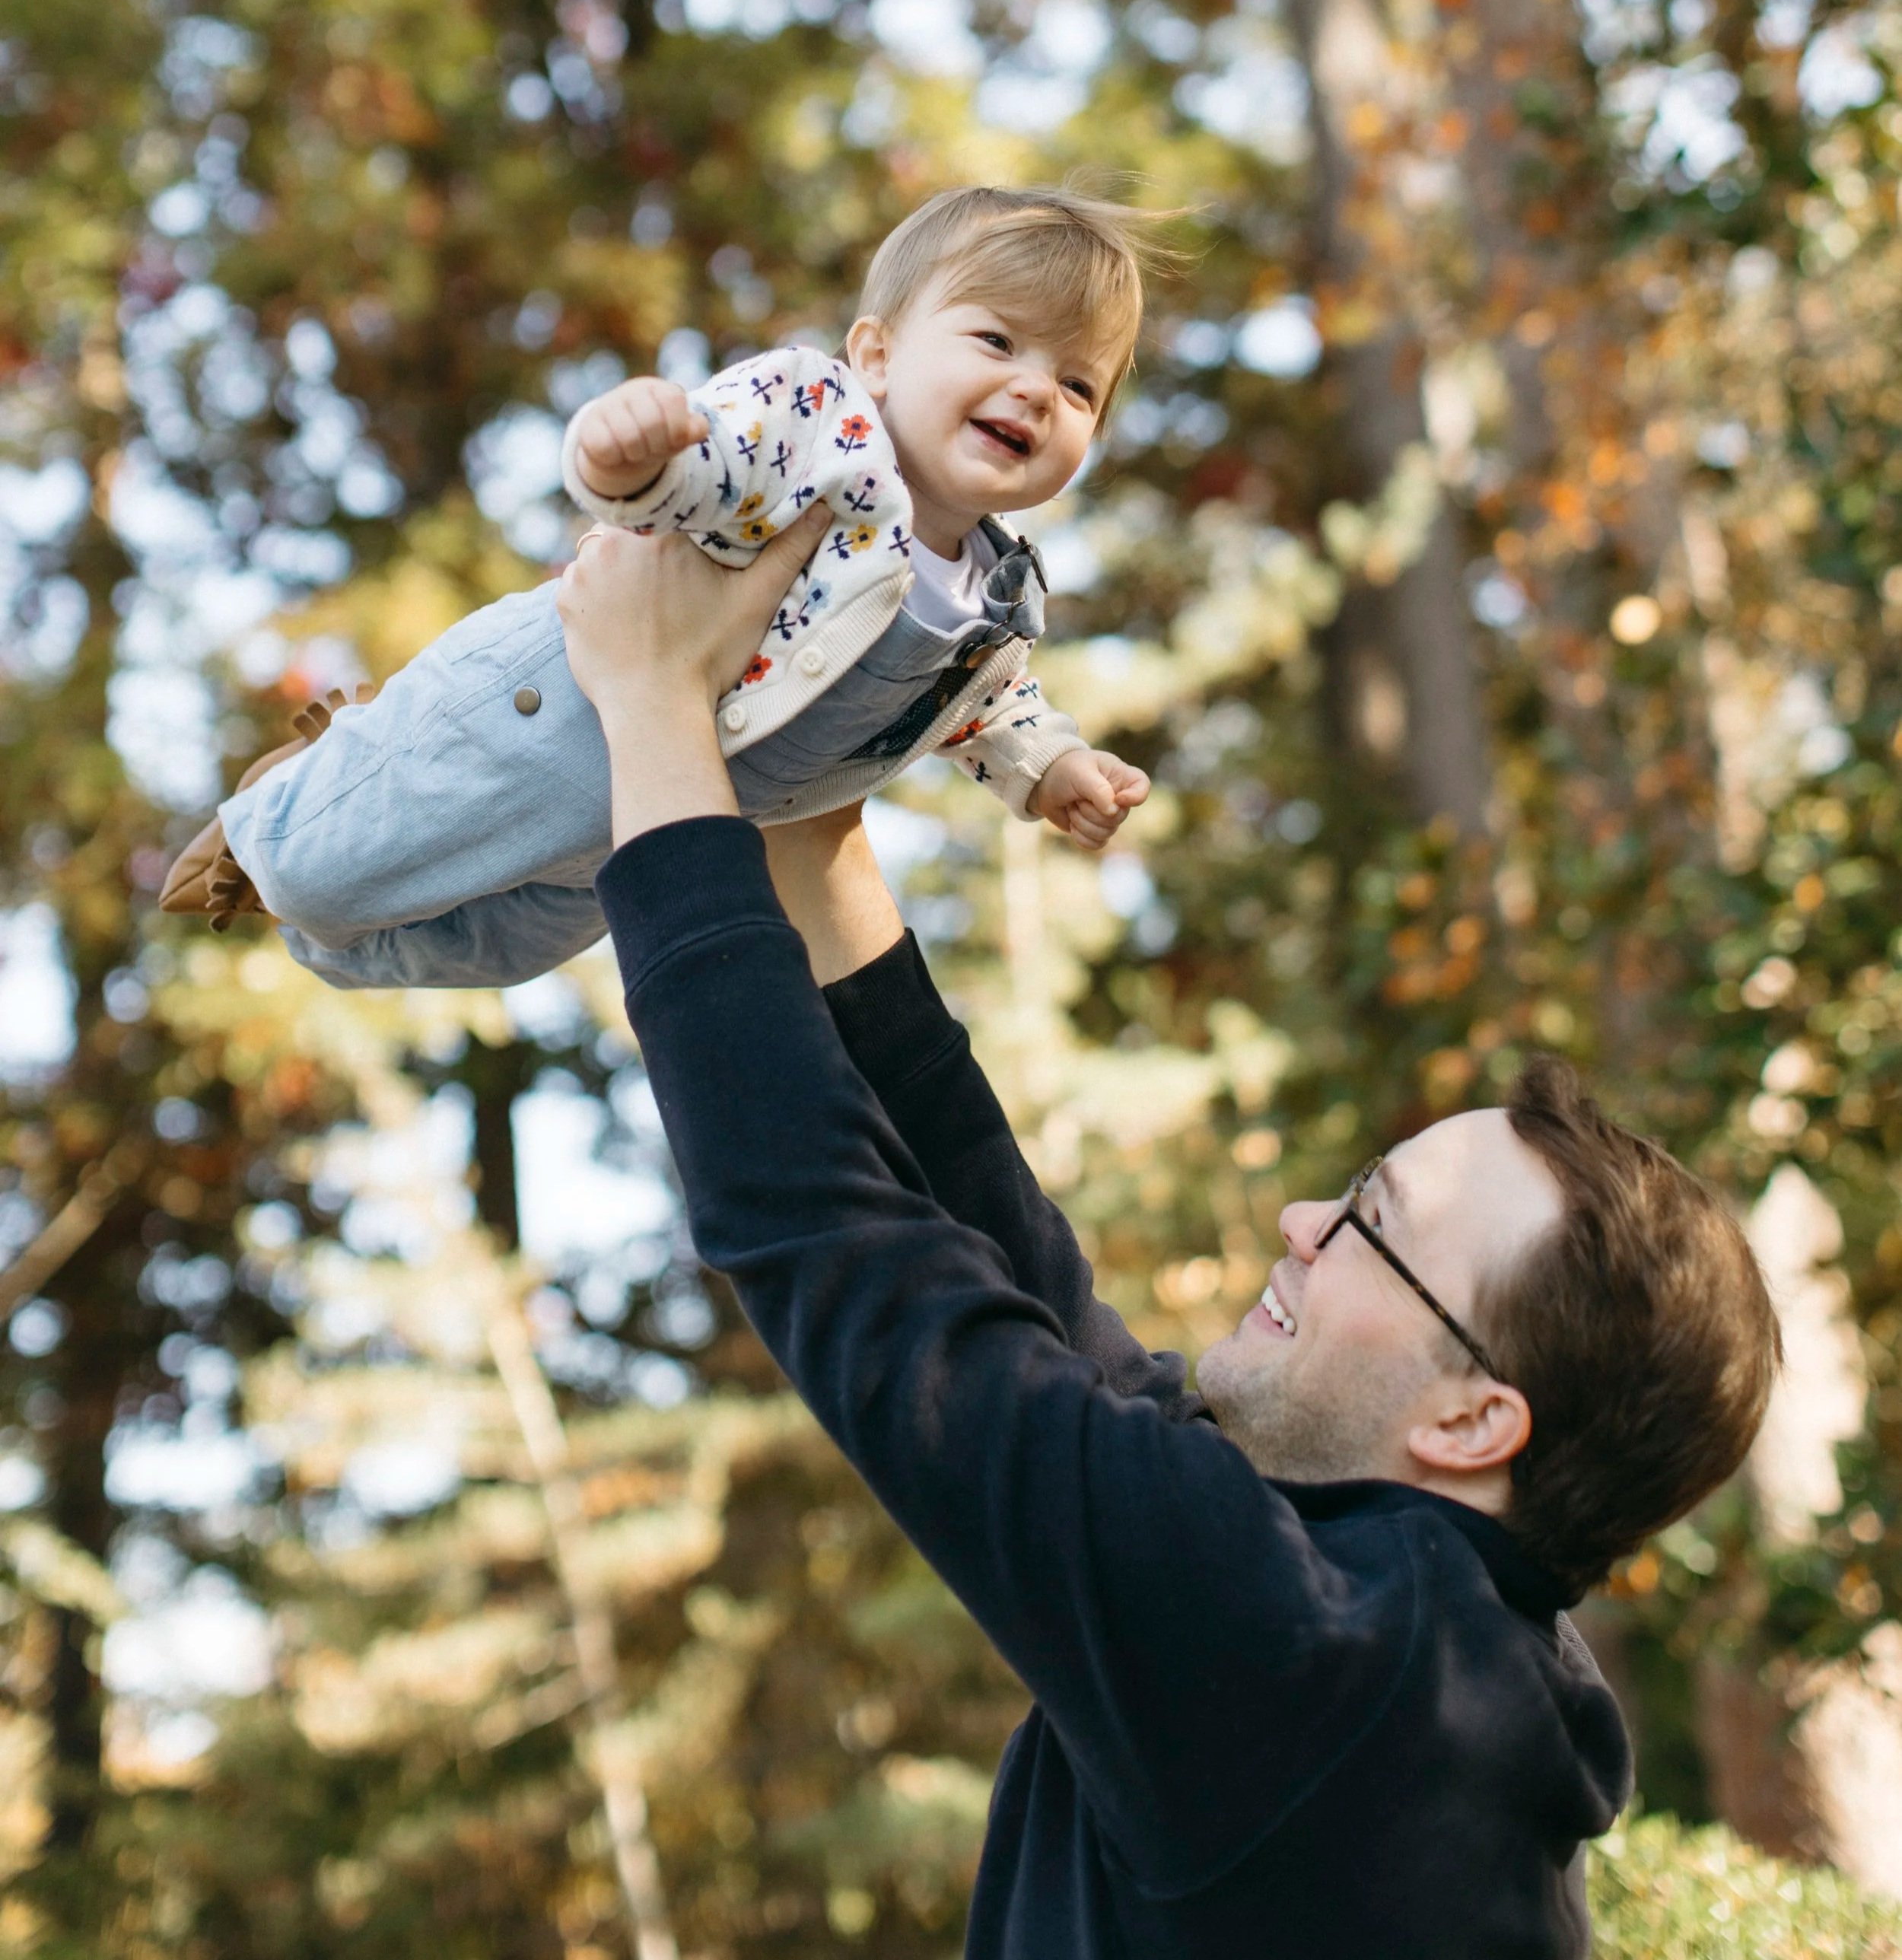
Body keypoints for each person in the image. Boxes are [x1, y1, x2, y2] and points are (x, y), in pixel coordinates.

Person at [555, 508, 1783, 1960]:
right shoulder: (1404, 1636)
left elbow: (839, 1245)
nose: (1302, 1220)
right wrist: (817, 824)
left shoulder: (1317, 1668)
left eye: (1371, 1227)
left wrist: (653, 703)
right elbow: (1027, 1292)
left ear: (1471, 1419)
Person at [158, 186, 1156, 987]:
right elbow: (703, 461)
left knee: (491, 950)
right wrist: (636, 456)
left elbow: (992, 711)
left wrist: (1051, 768)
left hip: (660, 807)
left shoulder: (996, 606)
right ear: (878, 355)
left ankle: (317, 932)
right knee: (317, 873)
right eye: (998, 342)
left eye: (1079, 385)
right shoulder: (819, 426)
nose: (1038, 389)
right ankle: (289, 808)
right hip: (550, 709)